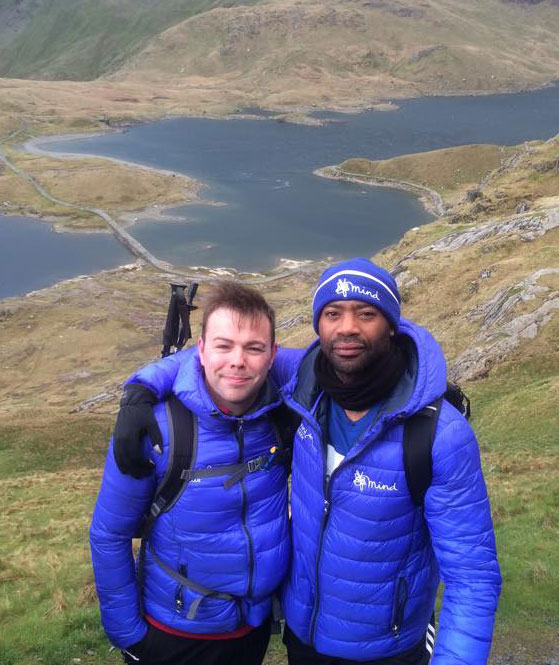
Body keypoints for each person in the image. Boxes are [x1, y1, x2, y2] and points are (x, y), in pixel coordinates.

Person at [114, 258, 502, 664]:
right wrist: (140, 387)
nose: (348, 327)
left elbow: (473, 580)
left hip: (389, 649)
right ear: (319, 325)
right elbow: (221, 354)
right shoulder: (305, 379)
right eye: (333, 313)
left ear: (392, 325)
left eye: (366, 313)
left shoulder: (440, 434)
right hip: (303, 639)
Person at [89, 281, 290, 665]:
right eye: (223, 345)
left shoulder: (280, 417)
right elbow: (109, 535)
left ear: (272, 355)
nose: (237, 360)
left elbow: (337, 358)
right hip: (173, 635)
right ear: (200, 350)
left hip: (253, 630)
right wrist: (130, 637)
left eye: (254, 348)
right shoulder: (155, 428)